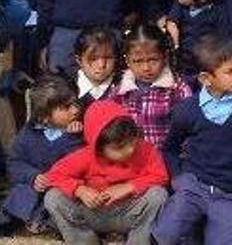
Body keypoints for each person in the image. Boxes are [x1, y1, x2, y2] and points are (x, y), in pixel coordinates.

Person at [153, 36, 232, 245]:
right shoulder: (187, 110)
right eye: (231, 71)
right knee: (166, 234)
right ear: (206, 79)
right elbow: (169, 148)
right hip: (193, 187)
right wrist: (179, 179)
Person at [44, 100, 169, 245]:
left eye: (132, 141)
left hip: (130, 212)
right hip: (92, 213)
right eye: (120, 147)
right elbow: (53, 175)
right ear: (99, 147)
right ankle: (85, 241)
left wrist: (129, 187)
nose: (130, 149)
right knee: (53, 197)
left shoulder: (146, 150)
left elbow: (161, 176)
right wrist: (80, 190)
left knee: (158, 195)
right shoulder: (85, 156)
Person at [2, 78, 82, 234]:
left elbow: (79, 163)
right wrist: (33, 176)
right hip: (35, 187)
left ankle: (44, 222)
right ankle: (17, 221)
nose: (75, 110)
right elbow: (14, 163)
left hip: (61, 188)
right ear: (44, 116)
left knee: (58, 199)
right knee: (21, 193)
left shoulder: (77, 134)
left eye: (75, 104)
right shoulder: (27, 135)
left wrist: (73, 138)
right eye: (66, 107)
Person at [111, 23, 191, 147]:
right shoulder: (119, 93)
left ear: (164, 57)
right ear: (127, 60)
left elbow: (188, 129)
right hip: (132, 159)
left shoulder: (177, 90)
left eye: (153, 60)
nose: (146, 68)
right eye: (138, 61)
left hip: (167, 158)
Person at [164, 0, 228, 81]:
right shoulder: (180, 6)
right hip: (182, 64)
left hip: (204, 65)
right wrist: (175, 44)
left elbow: (222, 40)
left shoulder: (218, 12)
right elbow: (172, 23)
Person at [72, 26, 120, 110]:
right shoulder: (66, 88)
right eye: (93, 59)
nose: (101, 65)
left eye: (108, 58)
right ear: (79, 60)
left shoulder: (125, 87)